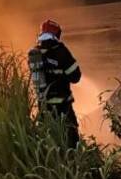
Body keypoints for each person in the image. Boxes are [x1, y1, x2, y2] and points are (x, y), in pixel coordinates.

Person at [29, 19, 82, 147]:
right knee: (71, 140)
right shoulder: (61, 51)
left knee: (48, 141)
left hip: (44, 108)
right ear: (56, 34)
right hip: (63, 108)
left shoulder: (33, 53)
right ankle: (72, 163)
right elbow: (76, 76)